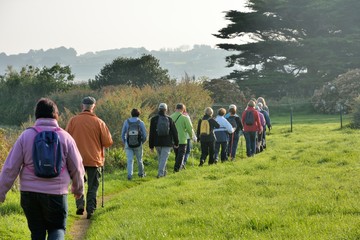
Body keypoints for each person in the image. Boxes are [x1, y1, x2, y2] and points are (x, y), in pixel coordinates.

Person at [0, 98, 85, 240]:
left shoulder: (25, 136)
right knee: (57, 228)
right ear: (56, 115)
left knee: (37, 232)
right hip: (56, 194)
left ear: (36, 115)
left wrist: (1, 192)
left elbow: (10, 168)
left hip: (29, 194)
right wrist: (78, 190)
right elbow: (77, 167)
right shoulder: (65, 137)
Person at [66, 96, 113, 219]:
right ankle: (91, 209)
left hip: (76, 159)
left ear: (82, 106)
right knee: (93, 185)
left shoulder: (73, 121)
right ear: (93, 107)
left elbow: (66, 139)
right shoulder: (99, 122)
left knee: (78, 183)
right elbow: (108, 142)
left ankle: (80, 204)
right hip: (94, 159)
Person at [149, 103, 179, 178]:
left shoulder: (153, 119)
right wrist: (176, 142)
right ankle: (160, 174)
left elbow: (151, 133)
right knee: (163, 159)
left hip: (157, 142)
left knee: (161, 158)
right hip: (167, 142)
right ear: (166, 109)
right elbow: (175, 132)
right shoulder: (169, 119)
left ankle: (164, 173)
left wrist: (151, 145)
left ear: (158, 109)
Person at [121, 108, 147, 180]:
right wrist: (141, 142)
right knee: (139, 160)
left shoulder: (126, 122)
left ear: (131, 114)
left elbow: (122, 134)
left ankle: (130, 175)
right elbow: (145, 135)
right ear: (139, 114)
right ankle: (141, 174)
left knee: (129, 160)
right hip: (138, 144)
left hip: (128, 144)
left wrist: (125, 142)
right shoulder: (141, 122)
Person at [170, 103, 194, 172]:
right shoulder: (184, 118)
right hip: (182, 139)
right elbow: (190, 128)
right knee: (181, 155)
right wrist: (191, 136)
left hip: (174, 140)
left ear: (176, 108)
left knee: (177, 154)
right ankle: (176, 169)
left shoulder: (170, 117)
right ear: (183, 109)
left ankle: (180, 167)